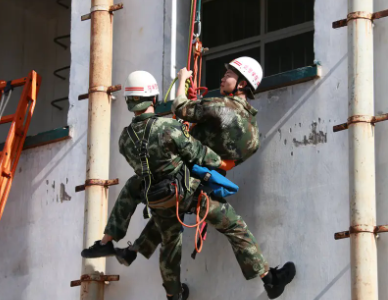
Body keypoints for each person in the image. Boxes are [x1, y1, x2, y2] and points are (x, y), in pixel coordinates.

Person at [115, 58, 296, 299]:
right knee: (234, 229)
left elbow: (179, 107)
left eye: (230, 74)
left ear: (242, 84)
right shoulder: (252, 132)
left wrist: (182, 80)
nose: (223, 77)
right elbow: (230, 161)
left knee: (168, 226)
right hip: (204, 190)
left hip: (179, 181)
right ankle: (269, 280)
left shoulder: (219, 106)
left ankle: (159, 278)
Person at [81, 70, 233, 299]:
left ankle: (109, 242)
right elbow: (197, 153)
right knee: (174, 243)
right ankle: (135, 252)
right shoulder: (168, 128)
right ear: (153, 99)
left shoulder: (125, 139)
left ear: (130, 102)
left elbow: (150, 159)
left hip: (153, 196)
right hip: (182, 191)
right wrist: (222, 161)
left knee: (135, 185)